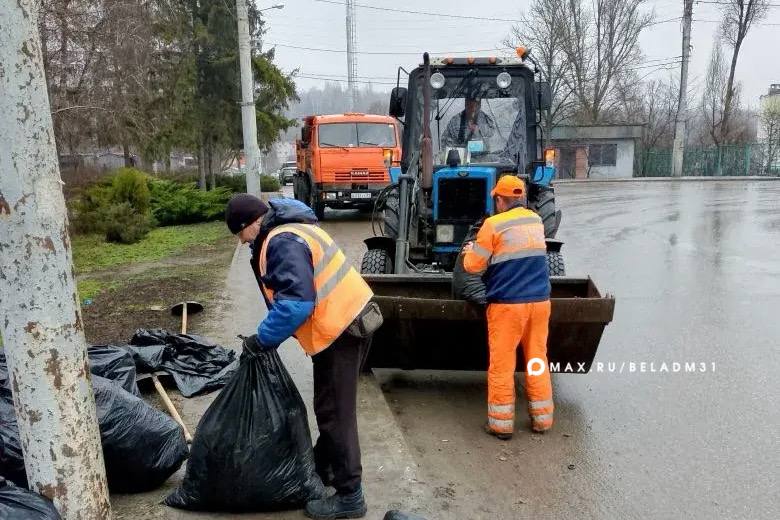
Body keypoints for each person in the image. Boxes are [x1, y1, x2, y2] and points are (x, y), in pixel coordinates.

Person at [225, 194, 380, 519]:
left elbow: (296, 303)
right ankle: (322, 468)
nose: (241, 242)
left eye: (240, 234)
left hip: (341, 329)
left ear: (251, 223)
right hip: (350, 320)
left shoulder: (280, 241)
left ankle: (350, 495)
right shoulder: (291, 228)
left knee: (335, 413)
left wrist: (262, 339)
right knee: (330, 406)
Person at [461, 175, 553, 440]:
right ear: (521, 199)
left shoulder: (492, 225)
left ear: (500, 200)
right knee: (537, 359)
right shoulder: (535, 221)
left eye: (497, 200)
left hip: (508, 305)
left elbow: (473, 267)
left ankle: (501, 424)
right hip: (539, 302)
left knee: (502, 364)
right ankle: (542, 420)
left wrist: (470, 250)